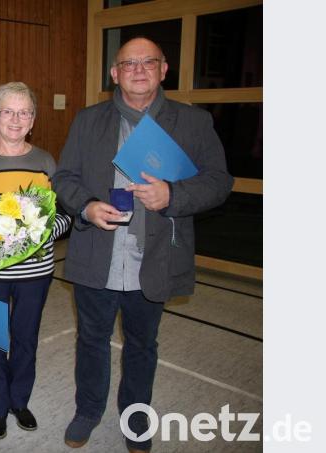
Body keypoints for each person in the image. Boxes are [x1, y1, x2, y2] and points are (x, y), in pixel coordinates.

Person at [53, 37, 233, 453]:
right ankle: (88, 410)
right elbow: (64, 179)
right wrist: (87, 207)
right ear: (114, 73)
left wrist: (174, 195)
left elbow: (219, 181)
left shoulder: (192, 122)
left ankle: (136, 418)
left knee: (142, 345)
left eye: (147, 62)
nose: (138, 69)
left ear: (163, 69)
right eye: (128, 63)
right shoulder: (88, 119)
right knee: (91, 340)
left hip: (154, 258)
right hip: (97, 253)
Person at [0, 82, 72, 439]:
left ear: (33, 119)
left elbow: (65, 216)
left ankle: (20, 401)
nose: (15, 119)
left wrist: (36, 234)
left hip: (36, 273)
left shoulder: (46, 162)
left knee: (25, 339)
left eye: (24, 112)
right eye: (8, 111)